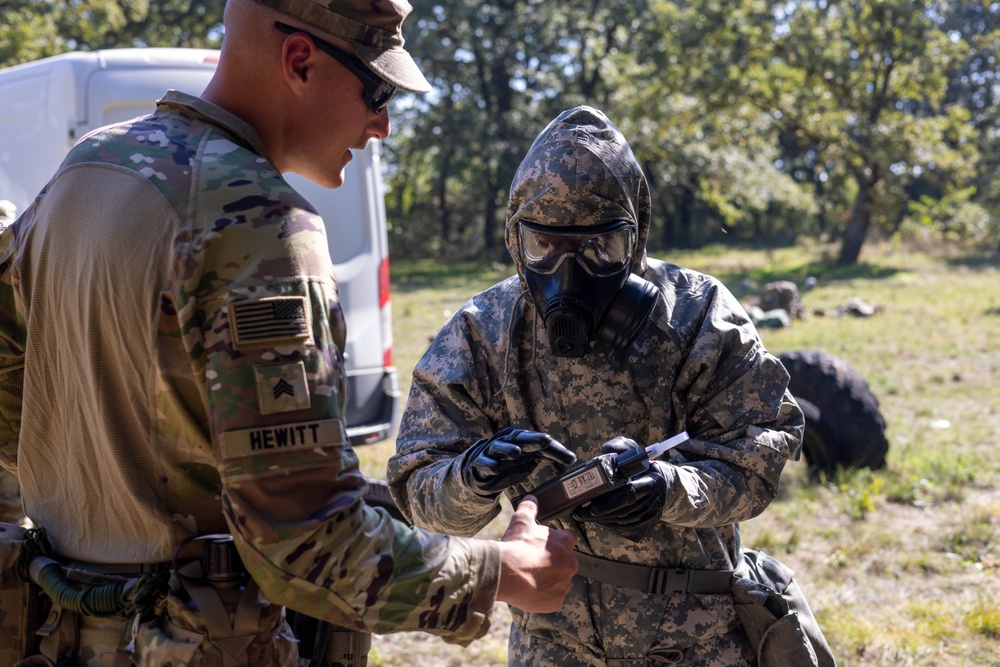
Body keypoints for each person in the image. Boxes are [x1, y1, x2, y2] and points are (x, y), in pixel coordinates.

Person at [0, 1, 579, 665]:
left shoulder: (87, 169)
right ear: (300, 60)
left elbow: (8, 410)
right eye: (377, 89)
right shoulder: (259, 224)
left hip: (55, 638)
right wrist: (501, 573)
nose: (382, 125)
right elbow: (306, 541)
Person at [387, 106, 832, 665]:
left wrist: (669, 488)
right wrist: (472, 479)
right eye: (542, 246)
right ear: (513, 236)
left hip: (697, 640)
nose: (567, 272)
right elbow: (419, 496)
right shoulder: (483, 332)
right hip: (554, 642)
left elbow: (758, 461)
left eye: (602, 248)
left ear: (636, 237)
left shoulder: (698, 317)